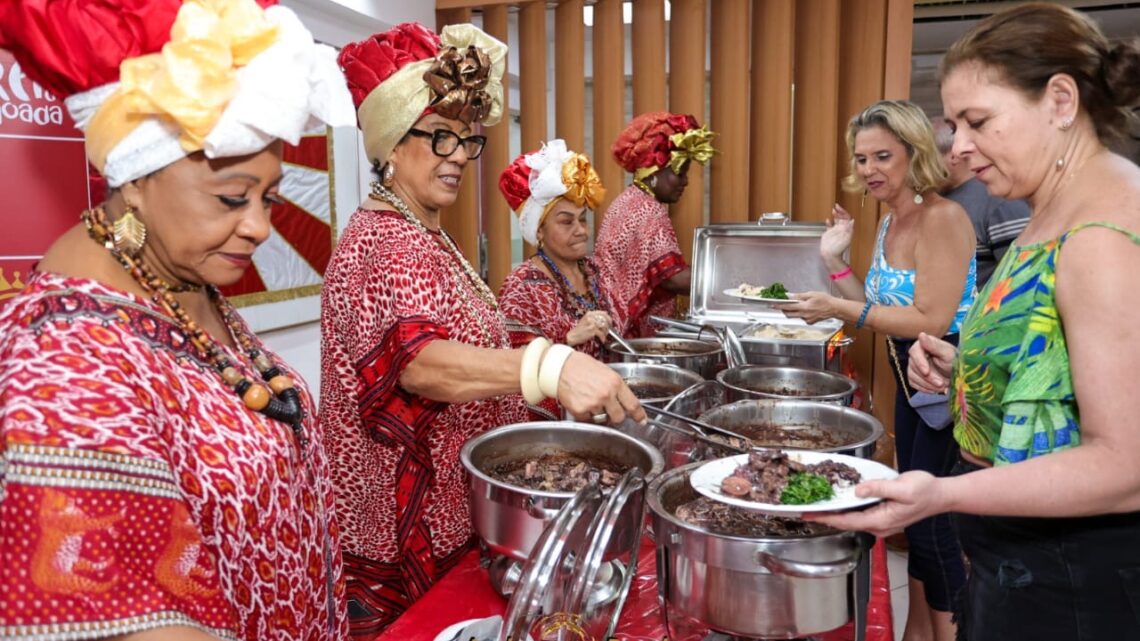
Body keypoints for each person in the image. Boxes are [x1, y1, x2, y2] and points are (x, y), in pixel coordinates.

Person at [0, 1, 355, 639]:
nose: (259, 226)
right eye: (231, 198)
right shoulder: (66, 357)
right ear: (136, 179)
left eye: (268, 197)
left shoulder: (179, 278)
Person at [808, 5, 1140, 641]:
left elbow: (1123, 465)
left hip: (1073, 573)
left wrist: (942, 495)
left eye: (977, 122)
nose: (957, 147)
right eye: (954, 125)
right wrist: (968, 372)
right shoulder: (1047, 212)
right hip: (1020, 553)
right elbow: (1058, 373)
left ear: (1060, 100)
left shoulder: (1101, 233)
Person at [321, 23, 644, 637]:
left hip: (451, 504)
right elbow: (418, 364)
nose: (455, 155)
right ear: (391, 143)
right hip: (396, 526)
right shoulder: (383, 239)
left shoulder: (424, 233)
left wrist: (549, 356)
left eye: (466, 140)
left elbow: (478, 342)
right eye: (437, 135)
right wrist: (550, 366)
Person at [780, 100, 976, 641]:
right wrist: (836, 261)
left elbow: (929, 317)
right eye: (862, 159)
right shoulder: (892, 219)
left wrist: (837, 308)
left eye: (882, 156)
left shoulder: (944, 217)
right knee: (913, 519)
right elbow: (875, 305)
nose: (869, 170)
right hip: (910, 387)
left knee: (937, 531)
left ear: (914, 154)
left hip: (947, 383)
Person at [497, 140, 625, 420]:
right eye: (566, 222)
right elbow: (510, 372)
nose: (580, 231)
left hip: (606, 408)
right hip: (552, 427)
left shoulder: (595, 271)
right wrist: (569, 337)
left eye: (583, 219)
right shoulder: (521, 287)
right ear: (539, 231)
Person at [593, 112, 715, 337]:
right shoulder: (648, 210)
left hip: (613, 329)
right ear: (654, 172)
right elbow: (674, 279)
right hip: (633, 336)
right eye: (680, 172)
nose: (685, 181)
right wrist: (731, 281)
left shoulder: (629, 200)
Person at [934, 119, 1031, 286]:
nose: (917, 167)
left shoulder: (997, 200)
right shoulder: (936, 201)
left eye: (925, 157)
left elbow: (1022, 278)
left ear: (953, 155)